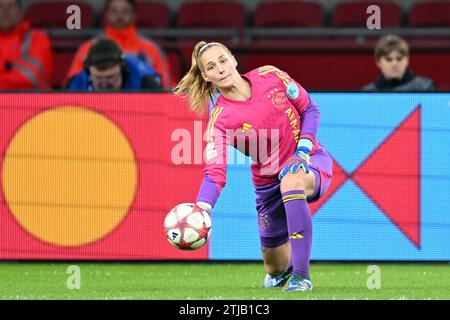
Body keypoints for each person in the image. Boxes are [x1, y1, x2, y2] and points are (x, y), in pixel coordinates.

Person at [173, 41, 333, 292]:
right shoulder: (220, 120)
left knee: (292, 181)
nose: (221, 69)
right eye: (212, 67)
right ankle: (283, 271)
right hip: (267, 183)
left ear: (233, 59)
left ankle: (302, 278)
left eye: (223, 60)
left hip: (309, 160)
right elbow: (215, 172)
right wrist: (202, 207)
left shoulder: (271, 76)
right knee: (274, 267)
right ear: (206, 76)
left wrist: (302, 152)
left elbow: (310, 109)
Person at [65, 0, 170, 88]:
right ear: (106, 14)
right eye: (114, 11)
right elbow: (73, 85)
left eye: (125, 11)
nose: (119, 16)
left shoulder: (151, 49)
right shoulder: (87, 48)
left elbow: (165, 85)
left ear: (134, 15)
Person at [66, 39, 162, 91]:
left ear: (122, 67)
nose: (104, 84)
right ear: (88, 70)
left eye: (110, 77)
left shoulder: (146, 83)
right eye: (98, 78)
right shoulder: (75, 84)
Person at [0, 0, 52, 89]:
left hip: (32, 100)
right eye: (0, 6)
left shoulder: (37, 38)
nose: (5, 11)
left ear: (21, 13)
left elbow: (30, 77)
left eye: (11, 7)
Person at [362, 35, 435, 91]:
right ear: (378, 62)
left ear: (407, 60)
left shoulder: (425, 87)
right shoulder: (367, 93)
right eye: (388, 59)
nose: (394, 64)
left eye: (399, 59)